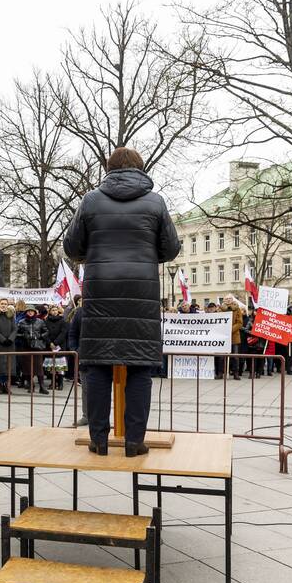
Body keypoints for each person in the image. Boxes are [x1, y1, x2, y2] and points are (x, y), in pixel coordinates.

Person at [63, 146, 181, 457]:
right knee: (140, 368)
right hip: (141, 295)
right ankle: (133, 441)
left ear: (108, 169)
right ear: (140, 168)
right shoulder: (155, 202)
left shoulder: (91, 200)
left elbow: (72, 246)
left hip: (100, 292)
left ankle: (98, 440)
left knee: (97, 366)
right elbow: (170, 249)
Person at [16, 305, 51, 393]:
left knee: (39, 366)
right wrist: (24, 335)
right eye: (28, 311)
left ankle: (42, 386)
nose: (30, 312)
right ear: (26, 312)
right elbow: (16, 333)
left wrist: (39, 336)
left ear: (35, 312)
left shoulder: (40, 321)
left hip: (37, 346)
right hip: (26, 346)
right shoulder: (21, 322)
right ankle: (31, 385)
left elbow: (46, 331)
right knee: (27, 367)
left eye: (32, 311)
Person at [0, 298, 17, 395]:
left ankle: (7, 386)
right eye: (2, 304)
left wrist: (10, 339)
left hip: (10, 344)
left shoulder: (11, 315)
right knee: (0, 366)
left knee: (9, 366)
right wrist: (2, 339)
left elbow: (15, 329)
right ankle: (0, 385)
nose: (4, 305)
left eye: (5, 304)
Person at [219, 295, 244, 380]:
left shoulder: (237, 309)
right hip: (223, 336)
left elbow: (240, 323)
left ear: (232, 300)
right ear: (224, 300)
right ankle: (220, 373)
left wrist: (230, 330)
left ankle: (235, 373)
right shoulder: (220, 309)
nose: (228, 300)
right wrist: (224, 330)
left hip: (234, 336)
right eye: (226, 299)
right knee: (222, 356)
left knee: (235, 356)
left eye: (229, 299)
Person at [45, 304, 68, 390]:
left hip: (60, 346)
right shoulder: (46, 321)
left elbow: (63, 333)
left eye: (56, 310)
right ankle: (53, 382)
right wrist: (50, 343)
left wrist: (55, 342)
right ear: (50, 311)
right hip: (50, 346)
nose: (54, 312)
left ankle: (60, 383)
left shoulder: (63, 320)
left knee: (60, 366)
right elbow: (45, 332)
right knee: (52, 366)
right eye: (52, 310)